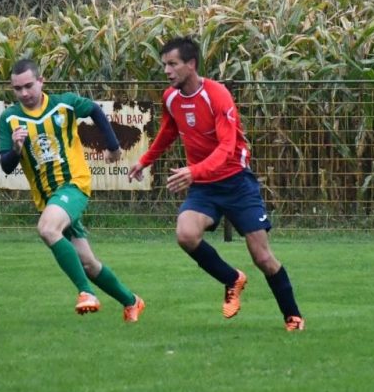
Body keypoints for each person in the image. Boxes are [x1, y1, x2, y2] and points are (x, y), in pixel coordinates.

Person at [128, 36, 304, 331]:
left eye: (172, 64)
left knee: (262, 257)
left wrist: (194, 171)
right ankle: (232, 279)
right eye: (164, 65)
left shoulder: (217, 95)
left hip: (237, 183)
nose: (167, 71)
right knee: (186, 234)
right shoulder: (170, 98)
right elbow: (168, 132)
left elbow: (226, 147)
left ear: (191, 64)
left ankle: (293, 317)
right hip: (205, 186)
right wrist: (145, 160)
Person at [0, 59, 145, 322]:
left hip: (73, 185)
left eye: (29, 86)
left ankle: (86, 293)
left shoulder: (63, 104)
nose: (24, 93)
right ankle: (132, 301)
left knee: (47, 229)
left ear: (41, 81)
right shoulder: (9, 119)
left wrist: (113, 147)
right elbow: (6, 166)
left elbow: (95, 111)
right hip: (48, 199)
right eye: (17, 88)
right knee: (88, 263)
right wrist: (16, 149)